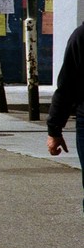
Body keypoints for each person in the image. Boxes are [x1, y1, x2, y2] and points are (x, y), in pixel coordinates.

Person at [46, 22, 84, 212]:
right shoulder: (81, 36)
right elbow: (67, 87)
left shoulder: (81, 35)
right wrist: (54, 129)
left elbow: (67, 86)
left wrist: (54, 130)